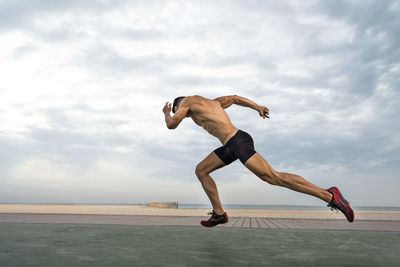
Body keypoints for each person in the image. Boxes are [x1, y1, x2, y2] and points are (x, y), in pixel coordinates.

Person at [162, 95, 354, 227]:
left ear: (180, 105)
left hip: (237, 141)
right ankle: (219, 213)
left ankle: (330, 196)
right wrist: (257, 107)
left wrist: (166, 113)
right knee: (201, 170)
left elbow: (171, 125)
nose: (181, 115)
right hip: (231, 145)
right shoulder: (211, 103)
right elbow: (235, 98)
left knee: (272, 177)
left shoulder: (187, 101)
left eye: (179, 111)